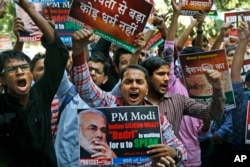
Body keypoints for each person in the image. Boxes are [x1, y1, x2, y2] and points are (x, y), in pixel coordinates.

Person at [71, 28, 187, 166]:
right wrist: (78, 51)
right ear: (120, 88)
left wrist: (174, 153)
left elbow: (183, 154)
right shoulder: (109, 104)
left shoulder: (157, 119)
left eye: (139, 82)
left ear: (147, 89)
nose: (134, 86)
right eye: (128, 82)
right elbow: (84, 87)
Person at [0, 0, 68, 167]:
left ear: (31, 74)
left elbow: (59, 54)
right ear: (2, 80)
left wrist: (31, 10)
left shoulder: (41, 94)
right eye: (12, 69)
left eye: (24, 67)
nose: (20, 72)